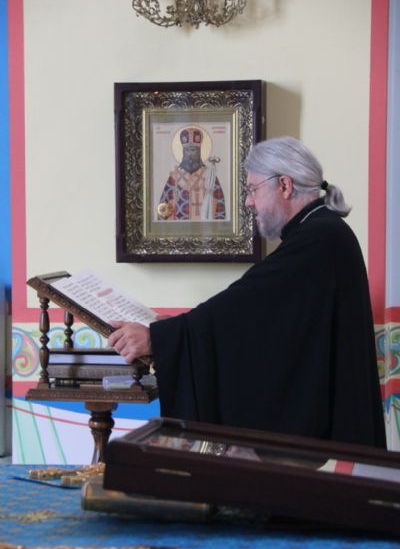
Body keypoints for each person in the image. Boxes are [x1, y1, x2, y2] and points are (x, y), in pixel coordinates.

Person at [109, 136, 386, 448]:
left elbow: (245, 307)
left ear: (284, 185)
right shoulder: (322, 232)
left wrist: (159, 338)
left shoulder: (318, 239)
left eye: (253, 189)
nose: (248, 202)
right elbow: (260, 318)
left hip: (331, 445)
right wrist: (176, 327)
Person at [157, 126, 226, 221]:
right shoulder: (174, 177)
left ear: (199, 151)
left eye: (193, 150)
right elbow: (162, 209)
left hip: (205, 227)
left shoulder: (209, 176)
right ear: (183, 151)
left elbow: (220, 206)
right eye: (187, 150)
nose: (189, 154)